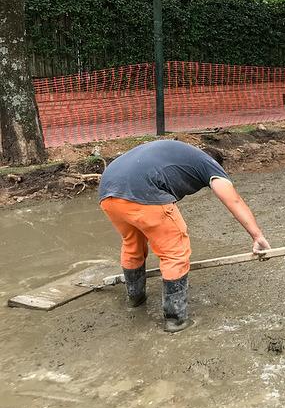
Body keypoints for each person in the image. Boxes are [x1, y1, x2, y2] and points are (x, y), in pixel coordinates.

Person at [98, 140, 271, 332]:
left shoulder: (179, 153)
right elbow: (233, 200)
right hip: (142, 189)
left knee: (132, 243)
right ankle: (175, 320)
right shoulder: (208, 164)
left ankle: (135, 299)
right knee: (175, 252)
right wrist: (257, 235)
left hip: (108, 190)